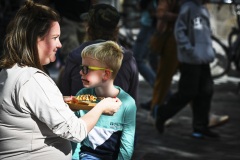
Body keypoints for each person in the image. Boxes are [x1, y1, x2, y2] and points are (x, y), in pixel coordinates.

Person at [0, 1, 122, 159]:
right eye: (55, 37)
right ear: (36, 39)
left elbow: (29, 107)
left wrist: (61, 102)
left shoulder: (9, 71)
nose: (59, 44)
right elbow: (75, 131)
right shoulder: (33, 80)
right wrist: (101, 107)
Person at [155, 0, 220, 139]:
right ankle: (162, 113)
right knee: (188, 92)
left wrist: (209, 51)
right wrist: (190, 50)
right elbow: (180, 32)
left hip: (203, 58)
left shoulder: (202, 9)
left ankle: (200, 127)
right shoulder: (188, 8)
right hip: (191, 59)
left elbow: (205, 33)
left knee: (206, 91)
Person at [60, 3, 139, 101]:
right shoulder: (128, 60)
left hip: (80, 115)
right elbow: (132, 101)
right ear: (116, 30)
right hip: (117, 114)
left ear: (88, 29)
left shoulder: (74, 58)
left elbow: (65, 99)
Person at [74, 41, 136, 160]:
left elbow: (127, 145)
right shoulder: (81, 96)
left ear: (106, 74)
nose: (81, 72)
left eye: (86, 69)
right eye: (81, 67)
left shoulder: (128, 104)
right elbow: (75, 135)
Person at [132, 0, 159, 88]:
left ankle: (158, 87)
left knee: (137, 59)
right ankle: (160, 91)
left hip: (149, 26)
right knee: (153, 60)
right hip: (152, 26)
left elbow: (142, 5)